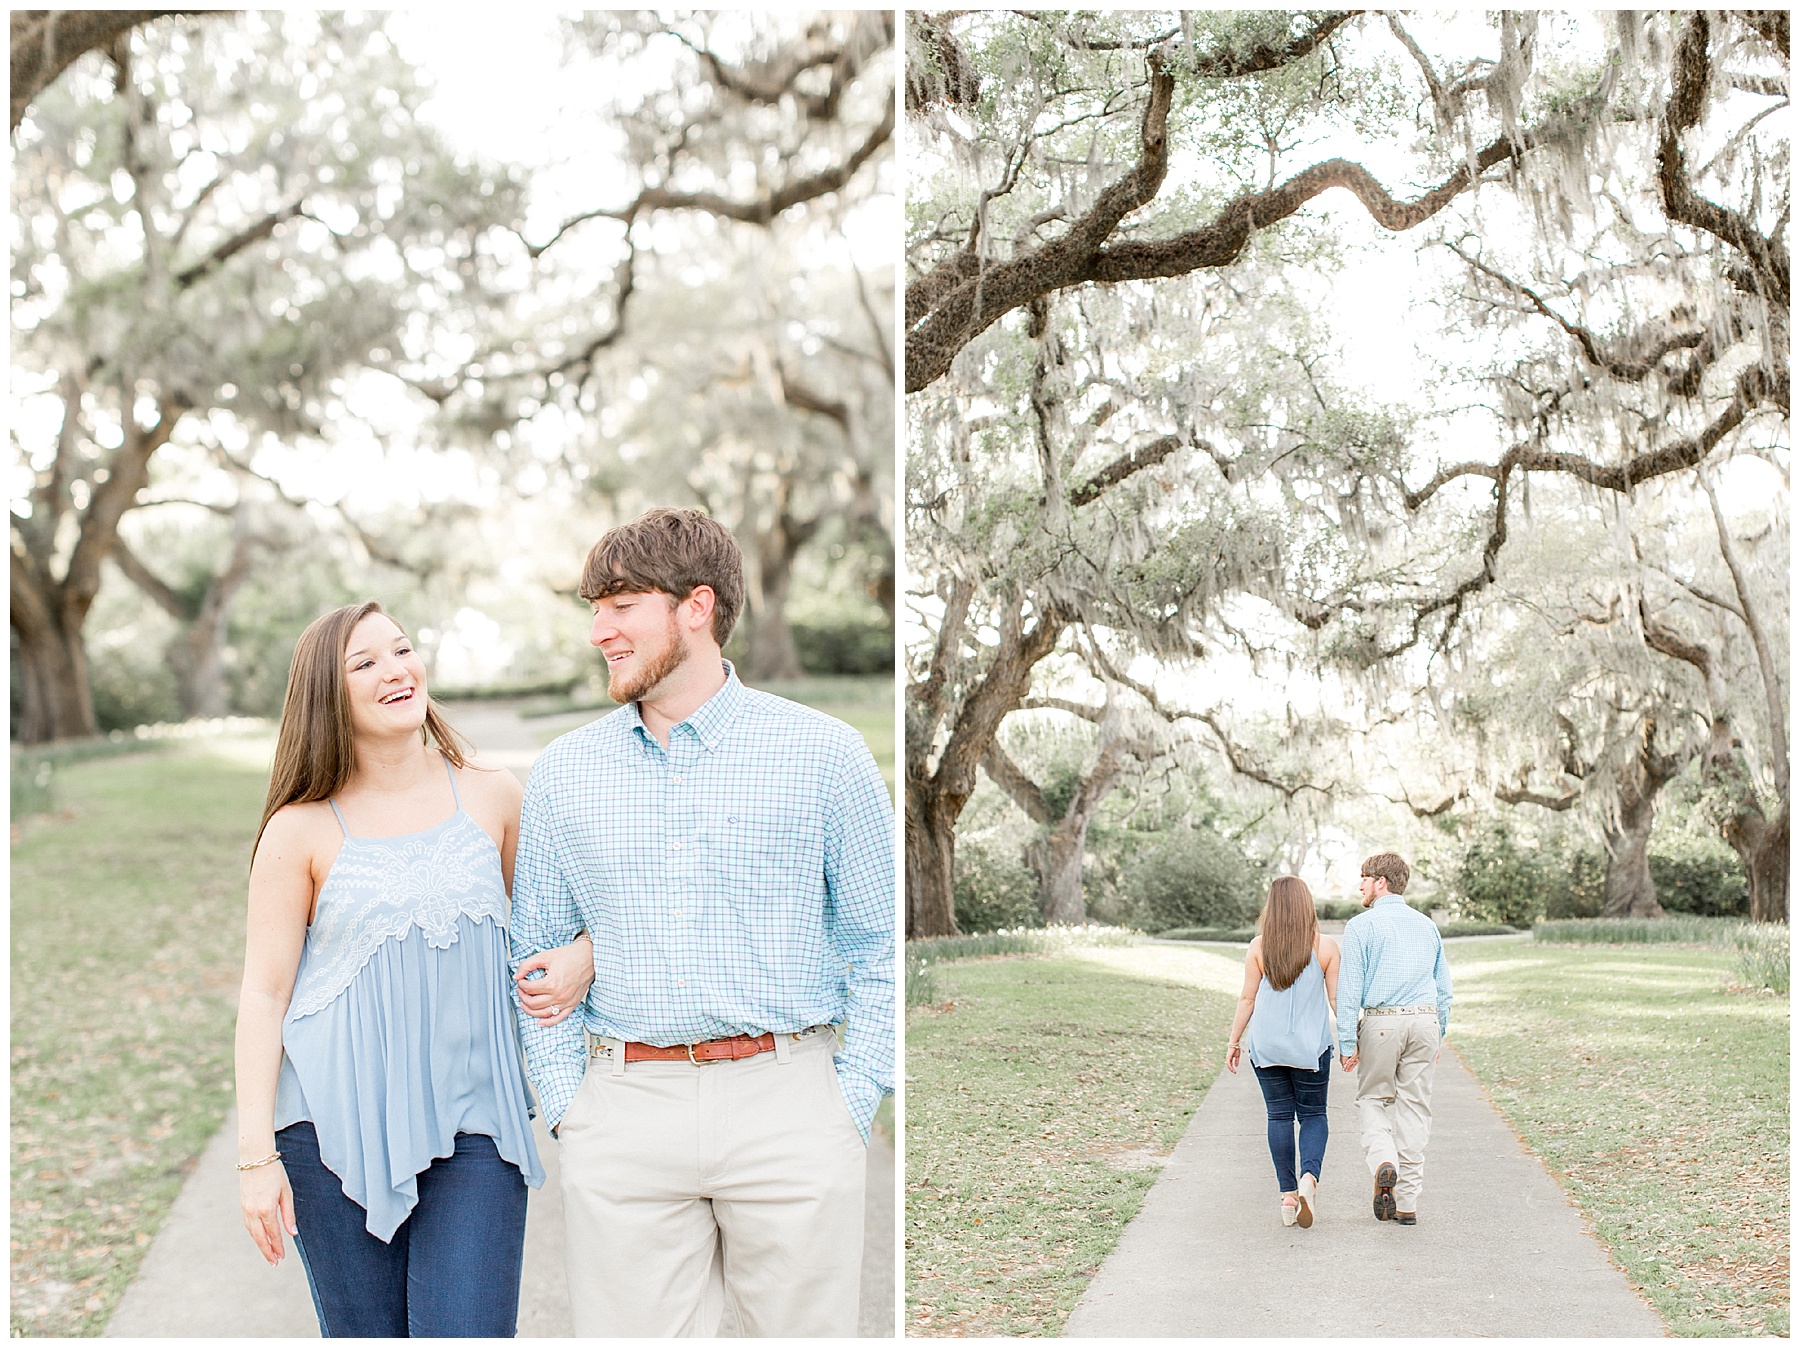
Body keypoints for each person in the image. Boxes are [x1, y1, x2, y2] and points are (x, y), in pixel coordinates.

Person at [510, 507, 895, 1337]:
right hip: (624, 1109)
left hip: (791, 1102)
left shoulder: (825, 755)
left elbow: (879, 944)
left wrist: (851, 1098)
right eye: (594, 608)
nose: (598, 631)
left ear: (697, 606)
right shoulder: (565, 774)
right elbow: (533, 950)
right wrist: (570, 1107)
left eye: (620, 604)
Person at [233, 600, 596, 1337]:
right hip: (328, 1134)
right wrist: (254, 1160)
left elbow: (554, 933)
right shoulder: (298, 828)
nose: (396, 671)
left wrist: (586, 957)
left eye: (400, 651)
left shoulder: (493, 793)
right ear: (325, 696)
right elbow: (265, 995)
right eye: (364, 663)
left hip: (478, 1128)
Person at [1335, 851, 1453, 1227]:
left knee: (1372, 1098)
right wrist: (1440, 1034)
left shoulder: (1360, 926)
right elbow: (1444, 989)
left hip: (1382, 1022)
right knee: (1415, 1108)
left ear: (1380, 882)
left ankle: (1384, 1159)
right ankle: (1407, 1204)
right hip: (1424, 1022)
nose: (1360, 886)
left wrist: (1346, 1043)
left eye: (1364, 878)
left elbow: (1349, 989)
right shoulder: (1427, 925)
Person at [1226, 875, 1340, 1229]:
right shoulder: (1326, 947)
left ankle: (1288, 1194)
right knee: (1312, 1115)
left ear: (1271, 907)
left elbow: (1247, 998)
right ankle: (1309, 1178)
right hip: (1310, 1048)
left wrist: (1233, 1042)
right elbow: (1337, 1001)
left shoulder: (1259, 946)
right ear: (1307, 906)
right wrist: (1351, 1043)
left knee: (1278, 1117)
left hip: (1267, 1046)